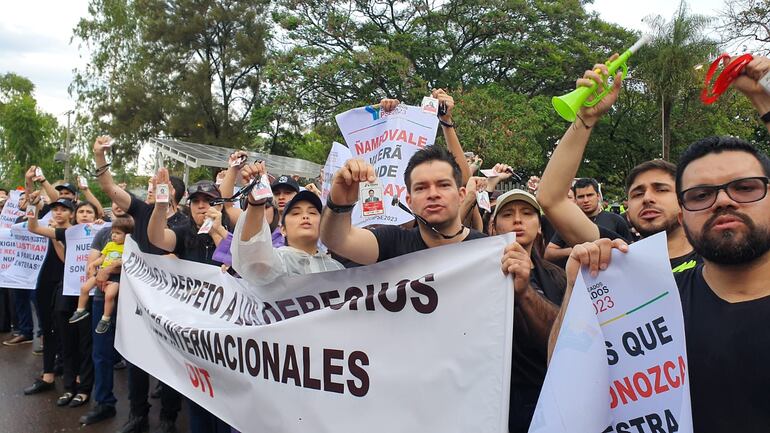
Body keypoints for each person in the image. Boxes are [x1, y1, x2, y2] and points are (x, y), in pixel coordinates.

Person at [549, 136, 770, 432]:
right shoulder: (649, 297)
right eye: (701, 195)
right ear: (684, 213)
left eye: (745, 188)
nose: (723, 201)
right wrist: (576, 292)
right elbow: (565, 379)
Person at [537, 58, 697, 270]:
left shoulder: (720, 256)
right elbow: (550, 198)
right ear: (627, 208)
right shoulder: (618, 256)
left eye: (661, 189)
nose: (647, 198)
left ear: (683, 200)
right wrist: (585, 119)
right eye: (637, 194)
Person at [87, 136, 185, 432]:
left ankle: (168, 417)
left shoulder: (183, 224)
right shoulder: (141, 211)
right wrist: (99, 156)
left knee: (169, 364)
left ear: (175, 196)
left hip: (169, 308)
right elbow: (109, 188)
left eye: (160, 188)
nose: (152, 191)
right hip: (137, 305)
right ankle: (138, 414)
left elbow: (170, 253)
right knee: (136, 360)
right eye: (152, 188)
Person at [148, 171, 234, 433]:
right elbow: (156, 237)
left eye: (208, 200)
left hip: (225, 329)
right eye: (196, 201)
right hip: (193, 328)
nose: (202, 205)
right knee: (198, 394)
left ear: (219, 204)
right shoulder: (183, 230)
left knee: (226, 399)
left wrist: (218, 230)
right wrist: (161, 204)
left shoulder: (231, 230)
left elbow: (237, 264)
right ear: (189, 205)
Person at [320, 145, 487, 264]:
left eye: (443, 185)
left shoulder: (488, 250)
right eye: (421, 188)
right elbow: (338, 240)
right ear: (409, 201)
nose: (433, 194)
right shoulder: (392, 243)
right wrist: (339, 204)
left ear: (461, 195)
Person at [488, 189, 566, 433]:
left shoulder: (558, 277)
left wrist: (526, 294)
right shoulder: (478, 275)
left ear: (540, 226)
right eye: (508, 214)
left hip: (546, 403)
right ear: (493, 226)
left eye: (528, 213)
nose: (518, 220)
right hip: (492, 406)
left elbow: (566, 343)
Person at [25, 195, 96, 409]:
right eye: (82, 212)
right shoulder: (66, 233)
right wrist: (31, 206)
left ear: (96, 215)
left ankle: (83, 389)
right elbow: (34, 227)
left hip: (89, 295)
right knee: (66, 342)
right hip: (67, 294)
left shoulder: (104, 233)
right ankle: (68, 387)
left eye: (89, 212)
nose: (85, 215)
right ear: (76, 215)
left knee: (85, 343)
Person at [232, 161, 344, 290]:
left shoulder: (337, 269)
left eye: (312, 212)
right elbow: (253, 259)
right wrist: (257, 202)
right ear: (283, 229)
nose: (305, 216)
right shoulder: (277, 261)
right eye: (296, 213)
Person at [68, 216, 134, 334]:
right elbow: (102, 258)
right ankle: (80, 310)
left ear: (127, 235)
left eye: (118, 233)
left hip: (116, 277)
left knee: (109, 295)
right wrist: (93, 264)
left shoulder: (129, 247)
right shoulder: (109, 245)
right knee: (84, 288)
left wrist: (117, 264)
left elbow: (128, 260)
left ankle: (105, 318)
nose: (113, 236)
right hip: (101, 273)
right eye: (113, 233)